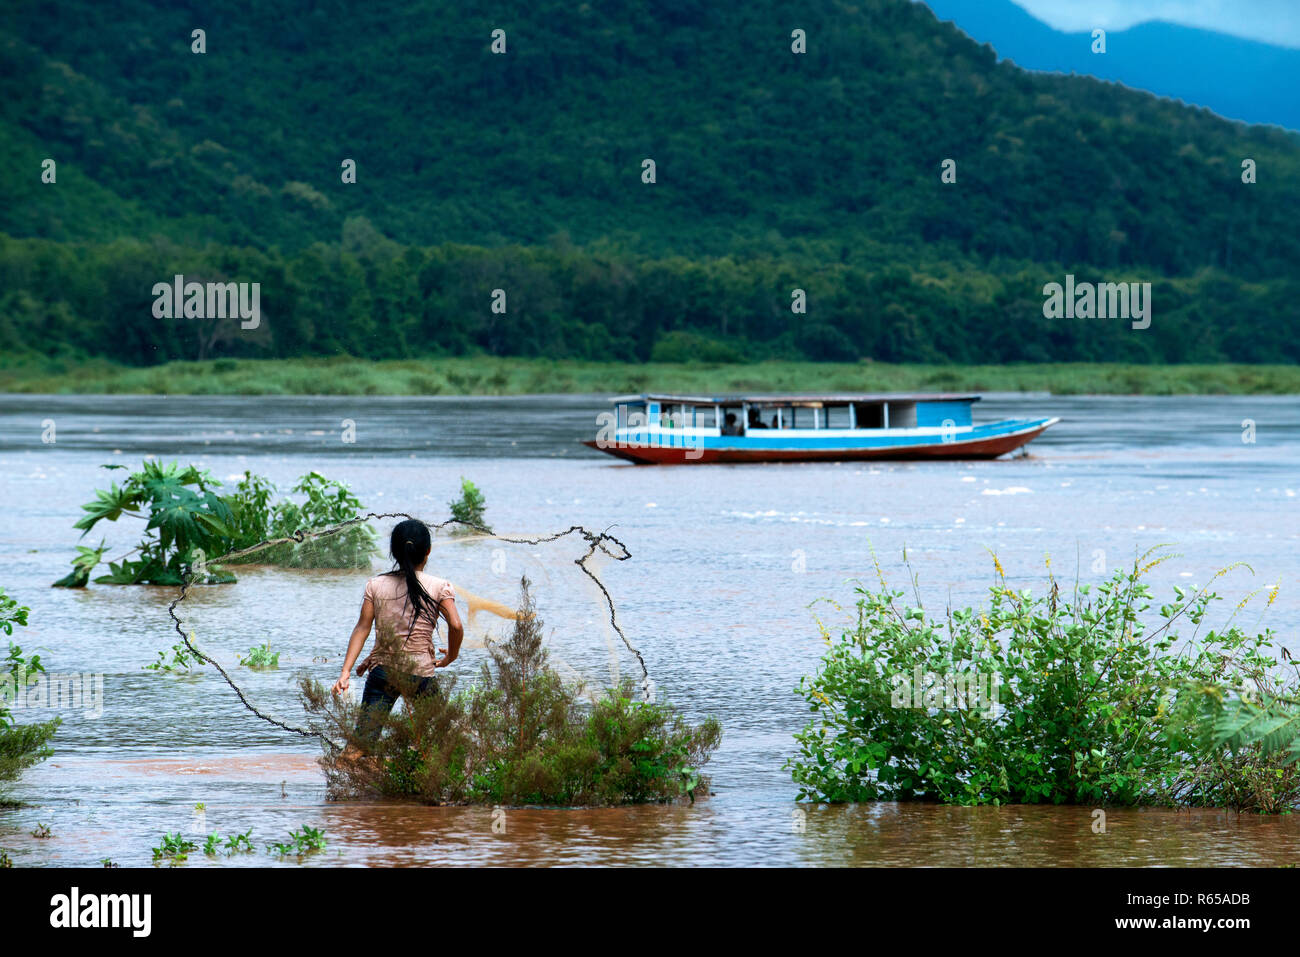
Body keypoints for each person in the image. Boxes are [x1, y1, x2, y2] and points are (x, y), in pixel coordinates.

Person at [332, 518, 464, 743]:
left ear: (394, 552)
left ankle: (344, 769)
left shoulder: (375, 584)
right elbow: (456, 625)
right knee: (444, 743)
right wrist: (451, 655)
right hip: (420, 674)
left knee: (361, 745)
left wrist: (346, 672)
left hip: (382, 672)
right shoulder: (439, 587)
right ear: (428, 551)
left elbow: (362, 628)